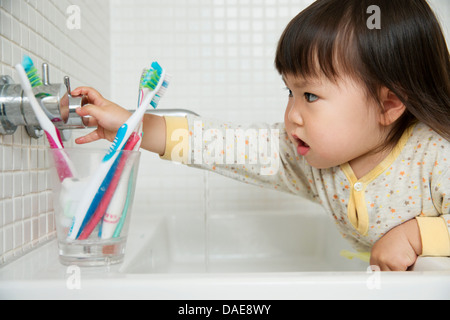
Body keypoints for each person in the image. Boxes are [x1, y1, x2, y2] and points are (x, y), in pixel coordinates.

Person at [71, 0, 450, 271]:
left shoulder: (435, 155)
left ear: (389, 104)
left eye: (311, 95)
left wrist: (417, 235)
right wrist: (131, 123)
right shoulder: (312, 160)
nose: (291, 115)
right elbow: (223, 144)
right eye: (290, 92)